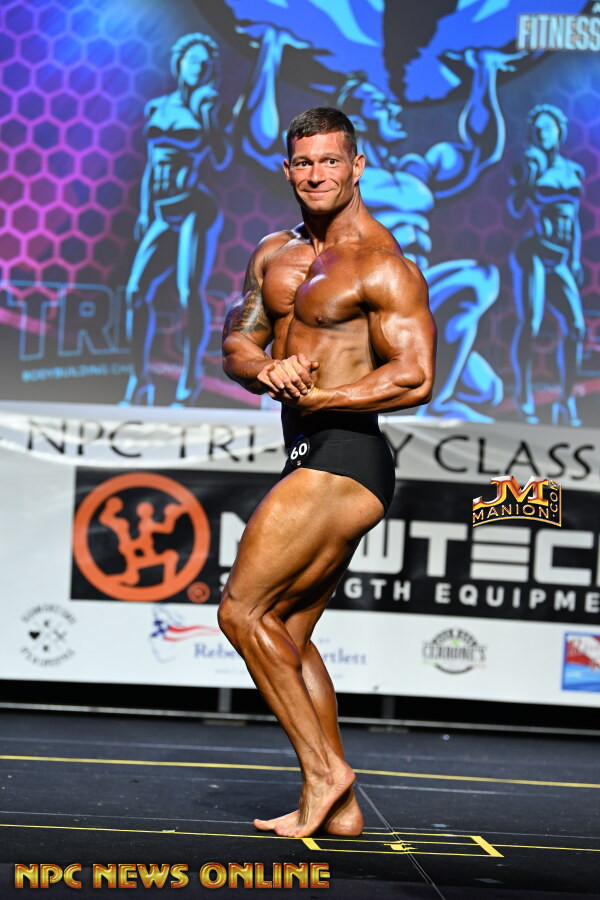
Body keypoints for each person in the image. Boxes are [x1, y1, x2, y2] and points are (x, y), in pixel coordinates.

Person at [219, 107, 436, 839]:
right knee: (286, 629)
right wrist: (266, 369)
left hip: (347, 454)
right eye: (304, 163)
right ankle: (341, 810)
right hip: (307, 448)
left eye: (331, 161)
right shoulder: (273, 254)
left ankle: (324, 774)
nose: (316, 175)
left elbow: (415, 375)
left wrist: (323, 398)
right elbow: (237, 343)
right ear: (288, 169)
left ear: (357, 166)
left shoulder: (382, 263)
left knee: (241, 612)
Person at [123, 32, 230, 407]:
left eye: (204, 63)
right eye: (192, 60)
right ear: (179, 63)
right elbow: (152, 165)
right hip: (161, 210)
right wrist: (145, 210)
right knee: (135, 292)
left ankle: (189, 378)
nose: (198, 67)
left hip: (194, 208)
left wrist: (207, 117)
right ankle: (139, 380)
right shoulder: (158, 106)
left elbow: (221, 158)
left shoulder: (208, 105)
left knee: (188, 292)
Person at [507, 104, 585, 426]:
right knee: (533, 323)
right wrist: (530, 176)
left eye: (548, 128)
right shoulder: (529, 164)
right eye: (538, 130)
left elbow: (574, 218)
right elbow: (515, 208)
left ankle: (565, 401)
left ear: (559, 130)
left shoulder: (573, 170)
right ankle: (524, 397)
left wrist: (576, 258)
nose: (543, 134)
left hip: (561, 257)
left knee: (576, 327)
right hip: (535, 252)